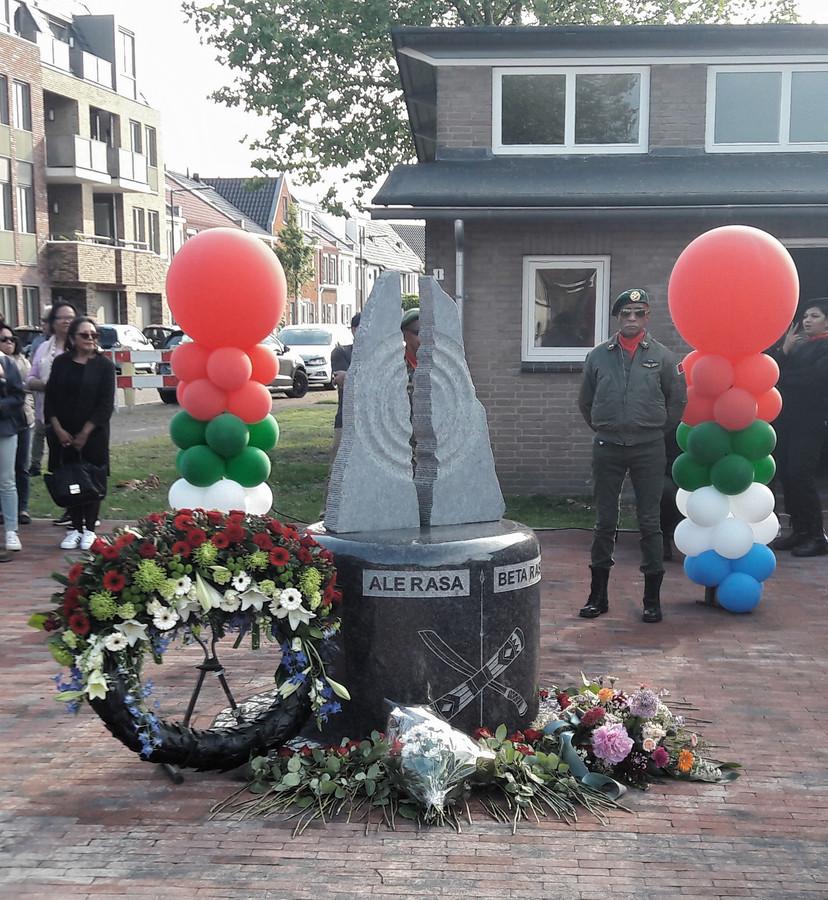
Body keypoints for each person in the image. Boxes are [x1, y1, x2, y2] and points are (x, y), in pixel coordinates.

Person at [577, 289, 686, 623]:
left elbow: (677, 402)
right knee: (605, 521)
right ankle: (598, 596)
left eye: (638, 313)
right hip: (608, 446)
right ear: (617, 317)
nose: (632, 319)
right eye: (626, 313)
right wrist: (604, 426)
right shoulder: (598, 356)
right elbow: (585, 401)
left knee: (650, 522)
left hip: (648, 447)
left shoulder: (664, 358)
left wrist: (652, 430)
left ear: (647, 317)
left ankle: (651, 600)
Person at [44, 316, 115, 550]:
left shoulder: (103, 366)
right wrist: (58, 428)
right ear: (73, 338)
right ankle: (74, 527)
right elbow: (51, 398)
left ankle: (90, 530)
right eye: (85, 335)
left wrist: (85, 433)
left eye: (94, 335)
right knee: (70, 480)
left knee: (91, 480)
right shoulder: (61, 363)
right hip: (63, 435)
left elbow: (105, 404)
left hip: (93, 435)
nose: (91, 339)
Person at [770, 299, 828, 557]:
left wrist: (782, 376)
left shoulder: (824, 347)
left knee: (800, 474)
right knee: (787, 474)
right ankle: (799, 530)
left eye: (814, 316)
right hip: (787, 421)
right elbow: (770, 371)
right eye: (805, 316)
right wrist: (785, 350)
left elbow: (813, 379)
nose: (806, 321)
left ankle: (817, 535)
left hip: (810, 421)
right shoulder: (799, 346)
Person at [28, 301, 76, 526]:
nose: (67, 321)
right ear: (52, 323)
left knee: (77, 463)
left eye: (71, 317)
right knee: (57, 463)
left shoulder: (81, 344)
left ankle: (82, 507)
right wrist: (45, 384)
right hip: (50, 413)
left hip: (77, 416)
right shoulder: (43, 348)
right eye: (62, 317)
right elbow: (30, 378)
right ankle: (68, 506)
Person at [0, 326, 33, 525]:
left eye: (12, 339)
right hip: (5, 421)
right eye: (3, 339)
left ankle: (22, 508)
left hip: (22, 419)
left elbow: (23, 391)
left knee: (21, 466)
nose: (8, 342)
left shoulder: (20, 362)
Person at [0, 338, 25, 556]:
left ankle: (11, 530)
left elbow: (18, 396)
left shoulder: (6, 363)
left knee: (7, 480)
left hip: (4, 429)